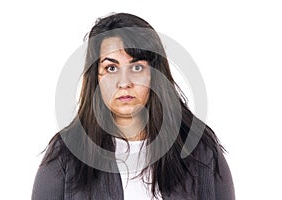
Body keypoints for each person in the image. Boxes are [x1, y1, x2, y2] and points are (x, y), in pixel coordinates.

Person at [32, 13, 235, 200]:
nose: (124, 82)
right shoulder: (64, 154)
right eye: (111, 68)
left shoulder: (200, 150)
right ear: (96, 78)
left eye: (137, 67)